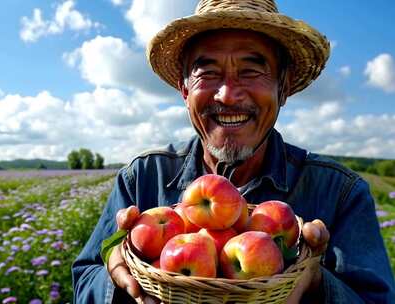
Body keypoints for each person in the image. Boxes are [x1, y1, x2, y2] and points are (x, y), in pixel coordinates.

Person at [72, 0, 395, 303]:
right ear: (185, 90)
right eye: (207, 72)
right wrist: (117, 273)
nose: (227, 95)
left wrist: (316, 284)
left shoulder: (339, 194)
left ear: (283, 87)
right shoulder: (142, 178)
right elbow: (85, 278)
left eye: (251, 70)